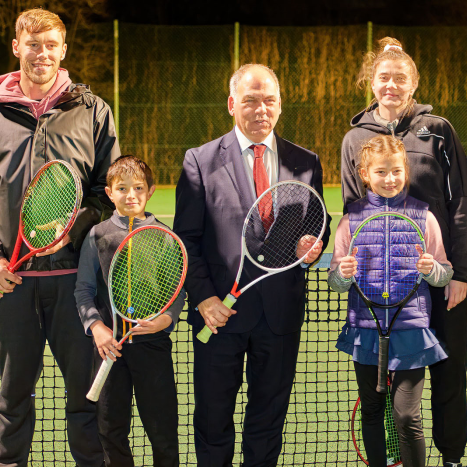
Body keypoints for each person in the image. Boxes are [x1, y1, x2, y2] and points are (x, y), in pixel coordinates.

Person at [0, 8, 119, 466]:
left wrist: (69, 225)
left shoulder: (92, 110)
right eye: (33, 44)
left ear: (63, 50)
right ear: (16, 47)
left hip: (77, 287)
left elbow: (110, 192)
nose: (41, 54)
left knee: (87, 402)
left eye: (50, 45)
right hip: (11, 283)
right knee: (12, 402)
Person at [173, 63, 331, 466]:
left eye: (269, 101)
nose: (261, 109)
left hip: (280, 316)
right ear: (231, 104)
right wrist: (205, 298)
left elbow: (317, 223)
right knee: (212, 420)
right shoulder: (200, 161)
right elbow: (187, 241)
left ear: (279, 106)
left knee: (267, 422)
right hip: (218, 316)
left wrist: (312, 245)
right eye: (250, 100)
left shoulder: (306, 161)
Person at [341, 36, 467, 467]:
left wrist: (458, 273)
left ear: (414, 83)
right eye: (384, 78)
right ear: (371, 82)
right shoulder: (355, 137)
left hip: (437, 277)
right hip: (383, 290)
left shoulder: (438, 130)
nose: (392, 86)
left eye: (401, 78)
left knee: (449, 377)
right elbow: (351, 209)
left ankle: (451, 458)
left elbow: (461, 204)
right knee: (387, 394)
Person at [330, 135, 453, 467]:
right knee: (370, 410)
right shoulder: (350, 220)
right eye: (381, 172)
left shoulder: (424, 217)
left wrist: (432, 269)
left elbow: (443, 273)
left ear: (405, 172)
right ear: (365, 174)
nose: (390, 179)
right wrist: (344, 272)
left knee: (407, 417)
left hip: (411, 329)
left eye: (396, 171)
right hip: (365, 330)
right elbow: (336, 282)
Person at [74, 155, 182, 467]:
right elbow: (84, 290)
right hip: (109, 350)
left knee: (163, 433)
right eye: (122, 188)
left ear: (150, 191)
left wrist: (165, 319)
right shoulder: (97, 235)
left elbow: (176, 291)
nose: (130, 194)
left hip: (153, 348)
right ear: (109, 193)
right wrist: (97, 328)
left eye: (138, 187)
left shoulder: (165, 235)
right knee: (110, 432)